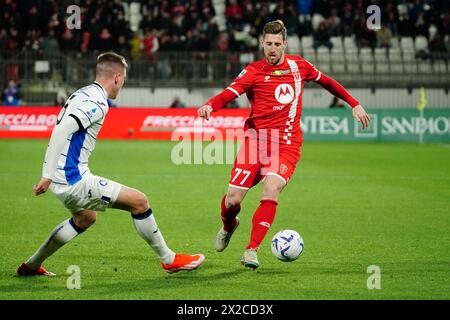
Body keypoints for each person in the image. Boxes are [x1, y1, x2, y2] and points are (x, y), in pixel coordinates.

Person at [197, 20, 370, 269]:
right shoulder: (253, 71)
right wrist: (210, 105)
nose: (273, 48)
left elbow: (328, 82)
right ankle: (229, 225)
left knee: (271, 188)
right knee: (233, 200)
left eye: (277, 44)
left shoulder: (300, 66)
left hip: (286, 145)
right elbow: (229, 93)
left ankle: (251, 250)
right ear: (262, 44)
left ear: (284, 44)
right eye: (268, 43)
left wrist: (354, 103)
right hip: (255, 141)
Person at [17, 52, 204, 276]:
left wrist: (50, 174)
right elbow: (62, 129)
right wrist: (46, 174)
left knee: (85, 218)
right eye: (123, 80)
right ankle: (169, 259)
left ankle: (31, 266)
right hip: (71, 178)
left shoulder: (83, 92)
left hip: (64, 175)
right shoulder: (97, 102)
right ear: (117, 77)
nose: (121, 86)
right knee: (139, 202)